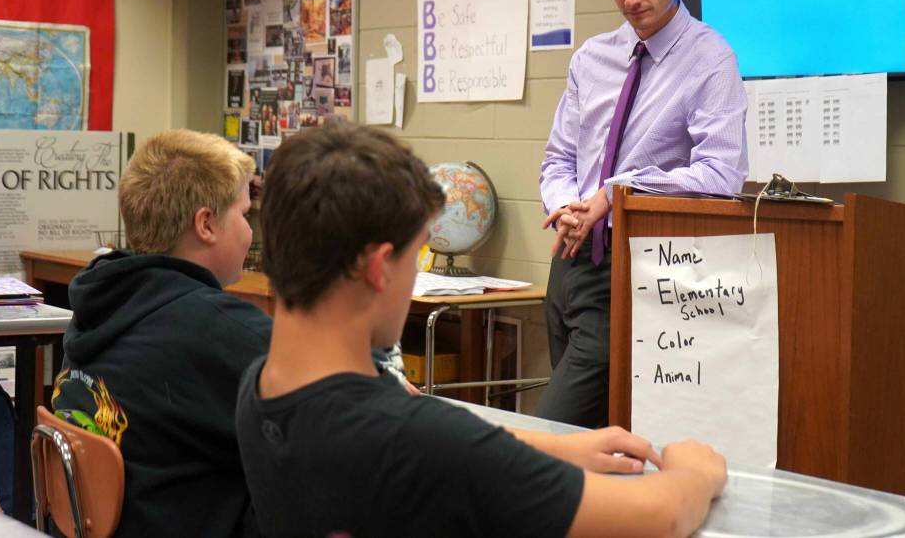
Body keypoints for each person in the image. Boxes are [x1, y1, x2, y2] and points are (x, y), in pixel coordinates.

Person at [236, 121, 727, 538]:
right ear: (381, 267)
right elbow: (659, 516)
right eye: (416, 254)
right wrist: (693, 472)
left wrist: (561, 446)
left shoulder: (262, 383)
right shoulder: (415, 442)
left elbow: (428, 423)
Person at [538, 0, 748, 428]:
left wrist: (618, 191)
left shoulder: (710, 58)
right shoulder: (592, 58)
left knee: (551, 432)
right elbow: (559, 159)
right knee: (588, 441)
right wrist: (564, 204)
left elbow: (722, 176)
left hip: (630, 270)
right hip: (567, 266)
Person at [51, 129, 271, 537]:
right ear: (206, 224)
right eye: (243, 214)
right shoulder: (219, 330)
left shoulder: (99, 304)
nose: (250, 232)